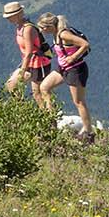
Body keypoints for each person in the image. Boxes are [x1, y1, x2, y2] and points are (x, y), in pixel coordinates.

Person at [39, 12, 95, 142]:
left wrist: (73, 57)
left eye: (43, 28)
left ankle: (89, 133)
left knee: (79, 102)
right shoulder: (55, 34)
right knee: (44, 87)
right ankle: (51, 121)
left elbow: (85, 44)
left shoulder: (64, 34)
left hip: (76, 69)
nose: (42, 31)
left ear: (50, 26)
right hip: (64, 69)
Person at [0, 1, 62, 111]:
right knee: (11, 85)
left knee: (38, 94)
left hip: (39, 64)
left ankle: (49, 120)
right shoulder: (20, 27)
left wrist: (22, 71)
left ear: (18, 15)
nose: (8, 19)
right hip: (29, 63)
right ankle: (24, 112)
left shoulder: (27, 29)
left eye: (10, 17)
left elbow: (29, 52)